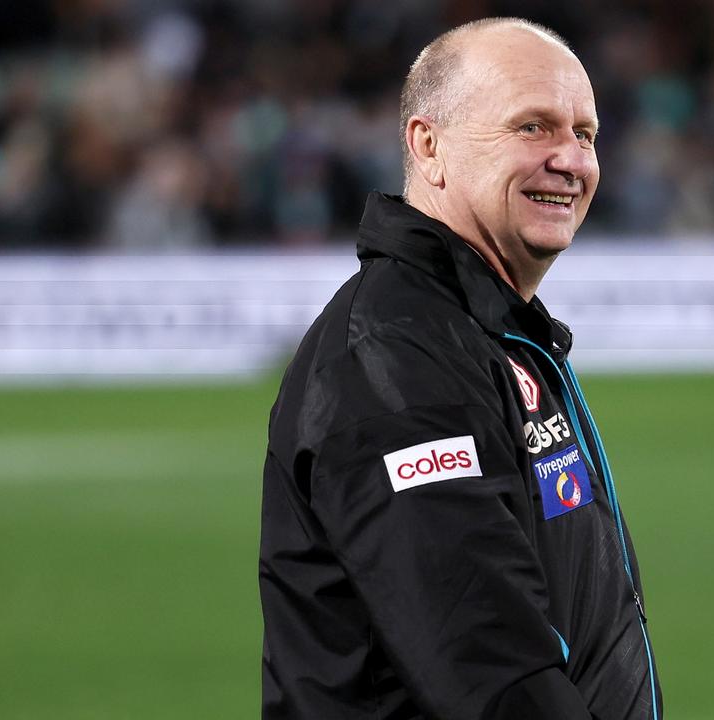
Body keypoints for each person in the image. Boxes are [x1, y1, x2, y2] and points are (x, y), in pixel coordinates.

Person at [259, 18, 661, 720]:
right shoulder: (395, 358)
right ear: (428, 145)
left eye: (585, 133)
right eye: (532, 128)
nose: (570, 159)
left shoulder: (489, 332)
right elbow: (490, 670)